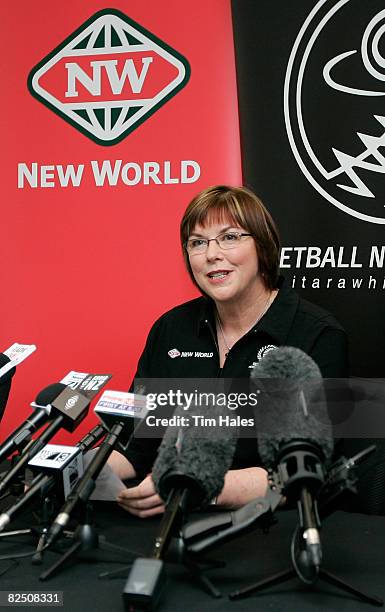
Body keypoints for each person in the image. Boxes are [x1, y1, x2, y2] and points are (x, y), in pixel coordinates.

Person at [109, 185, 349, 517]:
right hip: (166, 519)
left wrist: (196, 485)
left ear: (262, 246)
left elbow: (312, 470)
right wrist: (82, 473)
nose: (211, 254)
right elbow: (137, 444)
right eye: (197, 243)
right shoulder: (171, 329)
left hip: (273, 528)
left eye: (230, 237)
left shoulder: (316, 334)